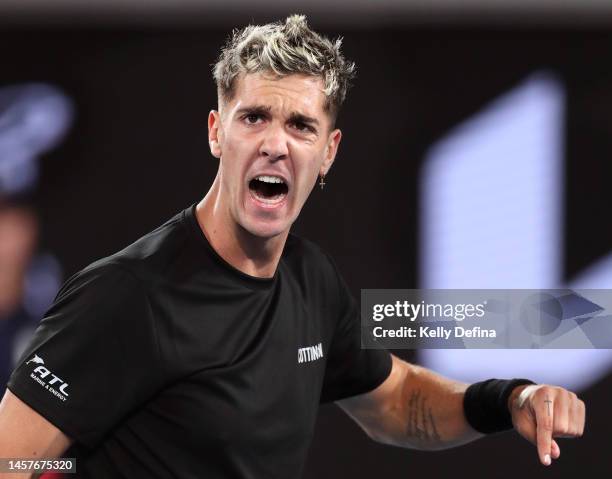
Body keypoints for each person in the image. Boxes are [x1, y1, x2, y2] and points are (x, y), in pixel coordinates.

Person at [0, 15, 584, 479]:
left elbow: (400, 404)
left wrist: (510, 399)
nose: (276, 144)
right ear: (215, 132)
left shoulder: (311, 280)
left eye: (300, 125)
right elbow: (12, 461)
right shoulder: (127, 295)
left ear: (328, 152)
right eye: (254, 117)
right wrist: (82, 469)